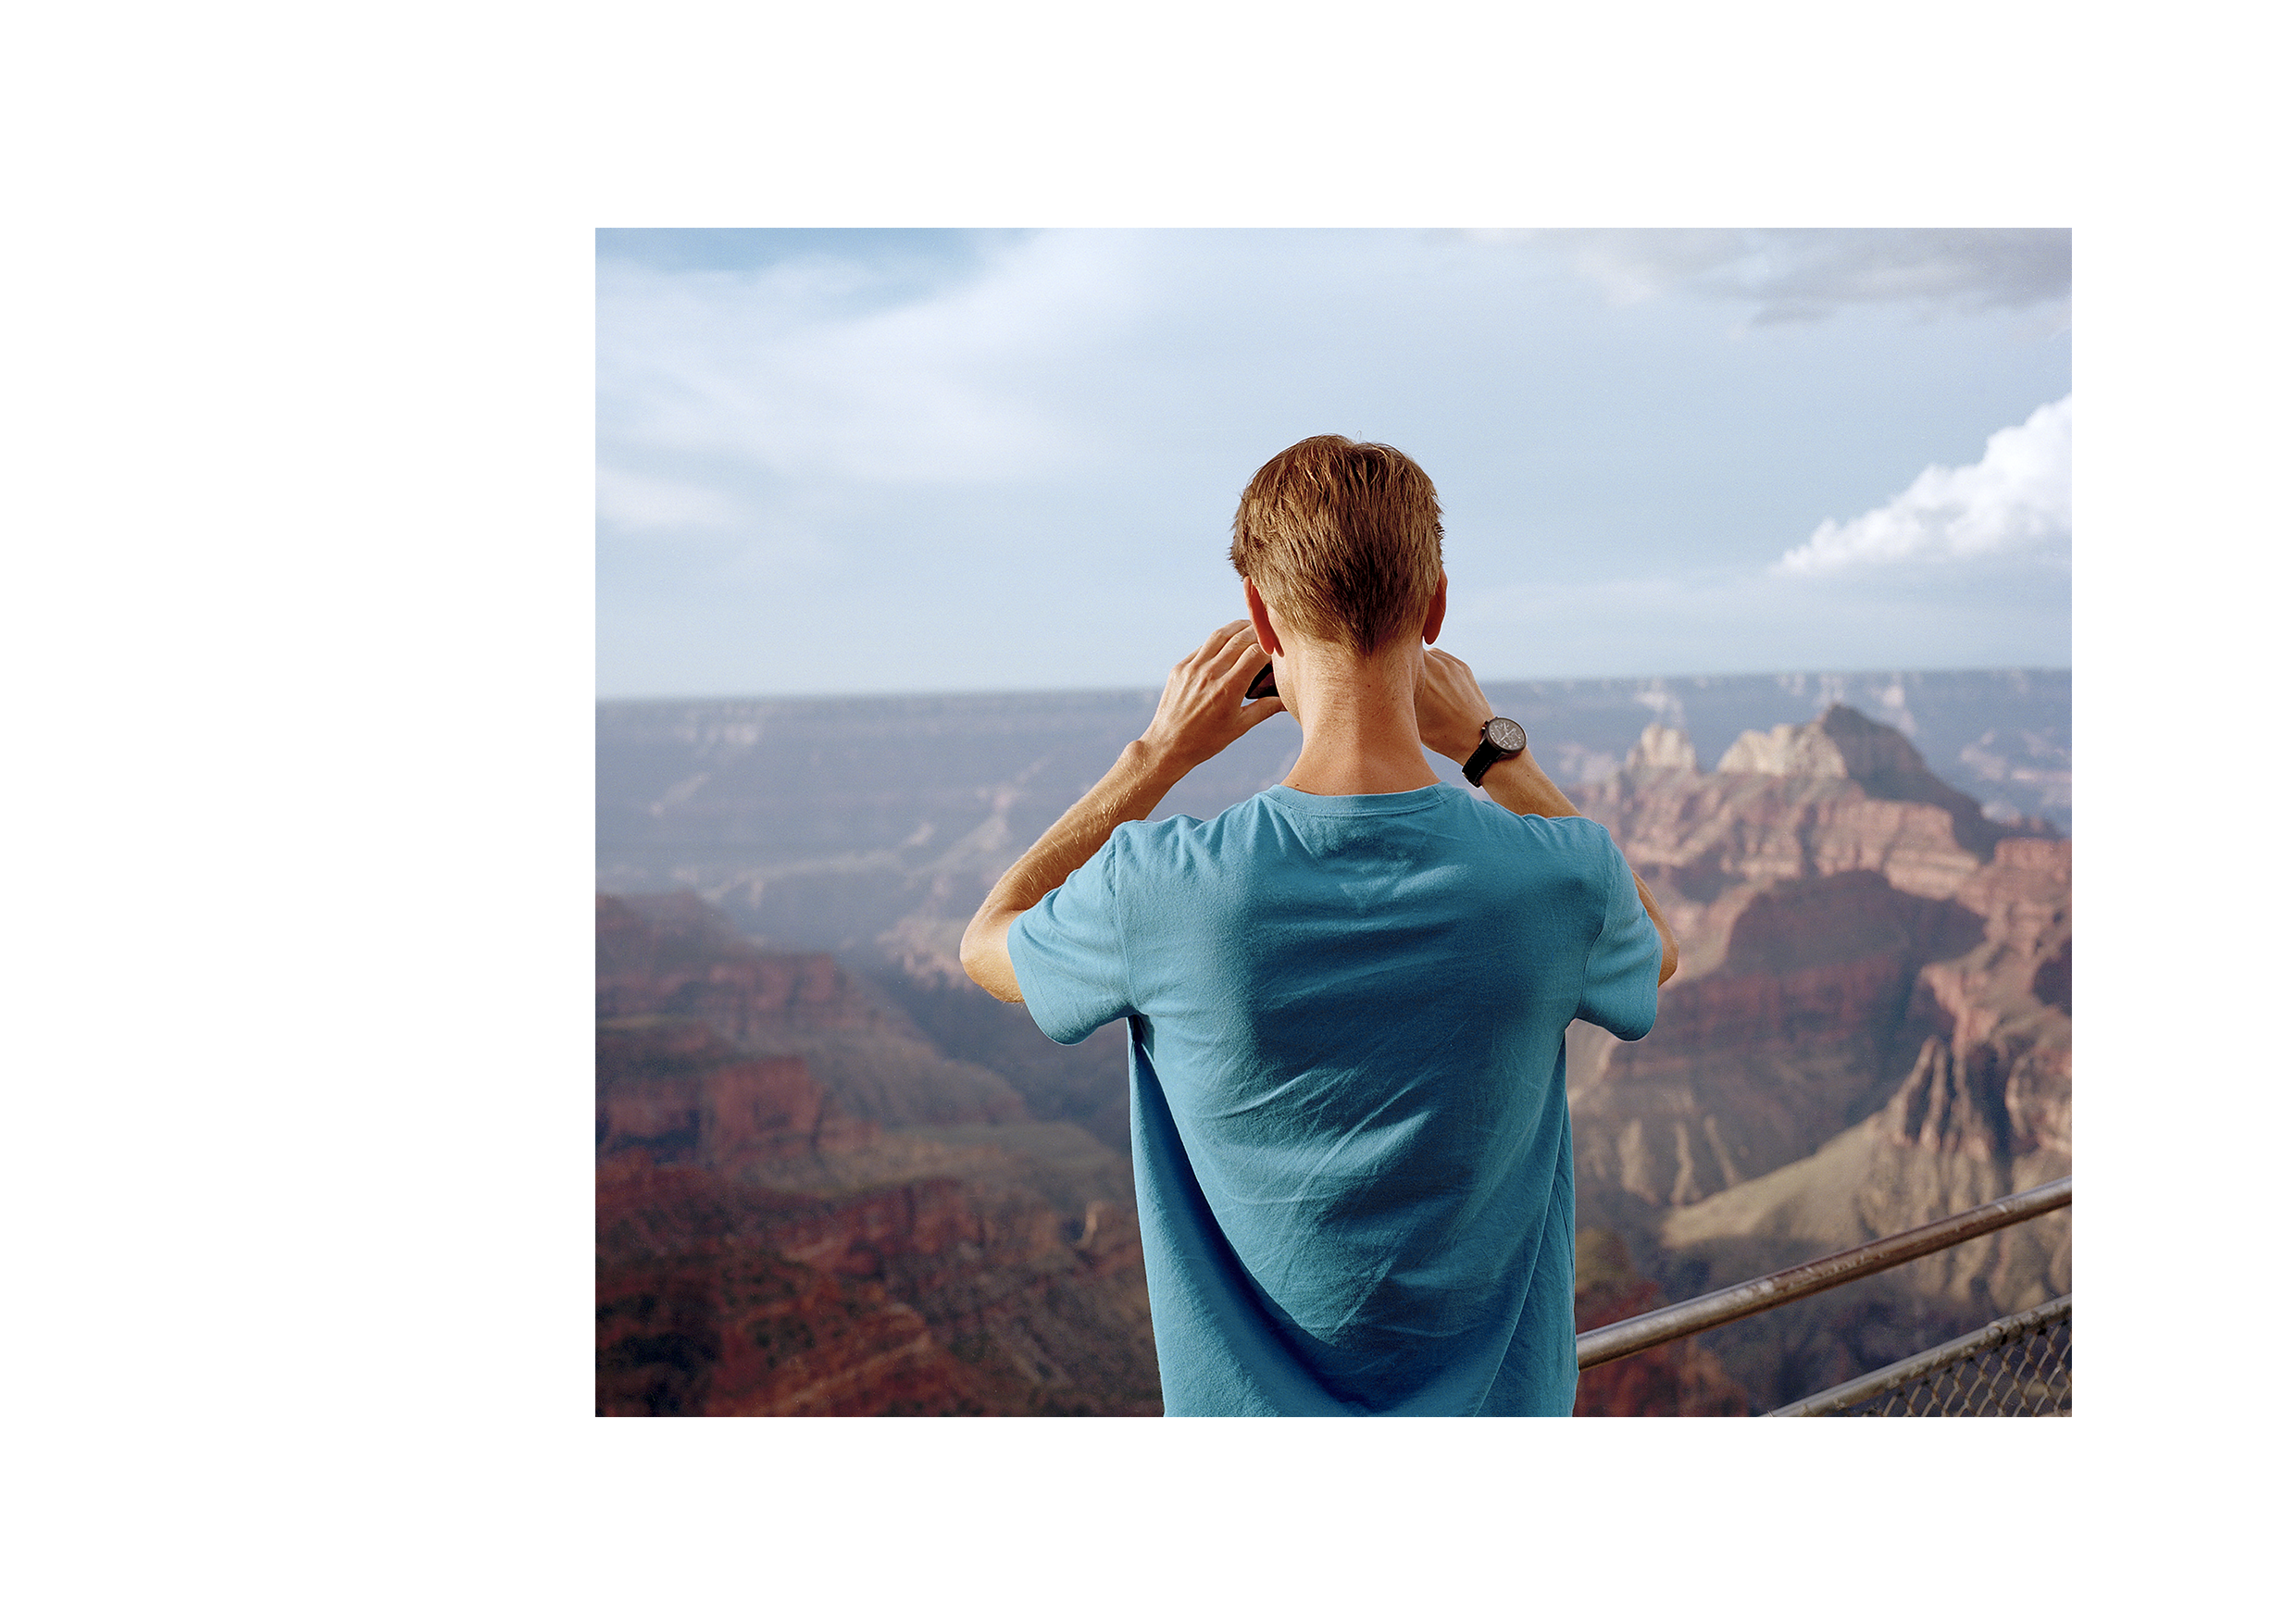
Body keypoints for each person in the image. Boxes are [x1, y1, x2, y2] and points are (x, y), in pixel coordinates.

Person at [959, 435, 1679, 1416]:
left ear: (1259, 615)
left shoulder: (1158, 885)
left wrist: (1154, 758)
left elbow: (984, 940)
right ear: (1432, 607)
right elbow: (1653, 945)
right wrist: (1489, 747)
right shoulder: (1559, 876)